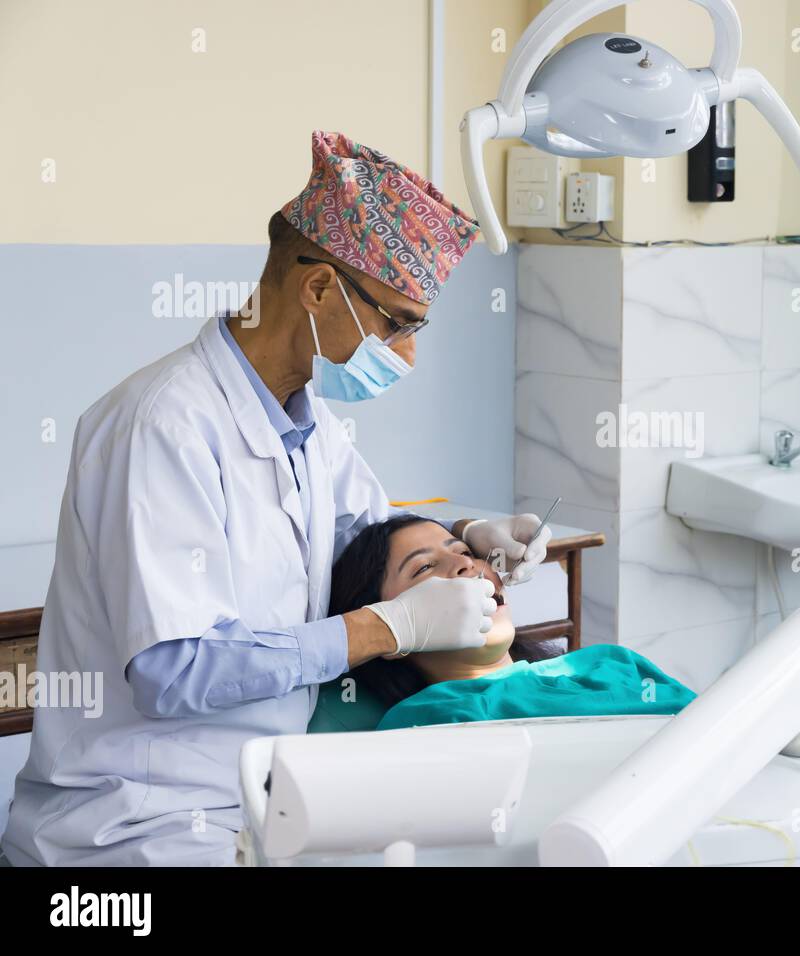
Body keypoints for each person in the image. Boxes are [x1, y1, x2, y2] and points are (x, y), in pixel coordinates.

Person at [2, 131, 552, 867]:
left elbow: (369, 531)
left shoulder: (304, 421)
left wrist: (469, 536)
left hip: (263, 805)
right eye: (397, 322)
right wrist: (386, 628)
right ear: (319, 288)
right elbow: (174, 671)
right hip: (138, 827)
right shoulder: (163, 424)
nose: (408, 354)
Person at [307, 515, 695, 734]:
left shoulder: (610, 663)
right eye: (424, 568)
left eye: (464, 551)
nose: (465, 565)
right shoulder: (430, 722)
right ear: (390, 628)